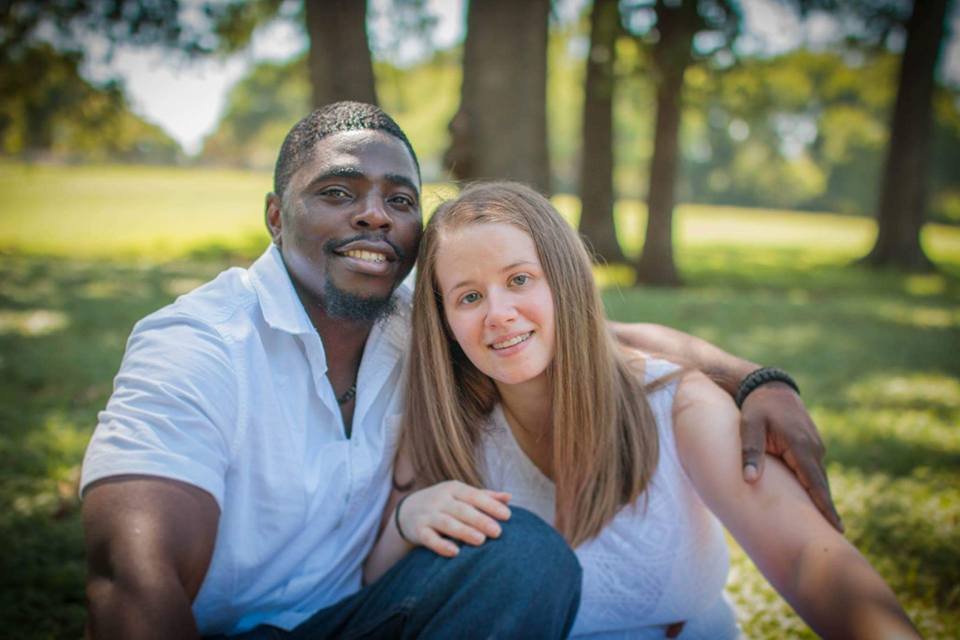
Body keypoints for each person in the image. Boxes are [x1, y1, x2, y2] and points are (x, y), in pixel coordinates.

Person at [81, 102, 838, 638]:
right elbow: (132, 577)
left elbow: (588, 332)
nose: (374, 214)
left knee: (521, 559)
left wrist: (756, 379)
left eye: (399, 199)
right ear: (277, 216)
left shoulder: (422, 317)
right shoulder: (197, 347)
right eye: (338, 192)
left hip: (376, 620)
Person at [366, 181, 919, 639]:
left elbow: (809, 560)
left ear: (565, 281)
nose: (499, 313)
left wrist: (759, 379)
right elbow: (381, 596)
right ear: (444, 321)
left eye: (519, 280)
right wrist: (407, 518)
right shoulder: (451, 424)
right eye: (469, 297)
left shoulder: (678, 406)